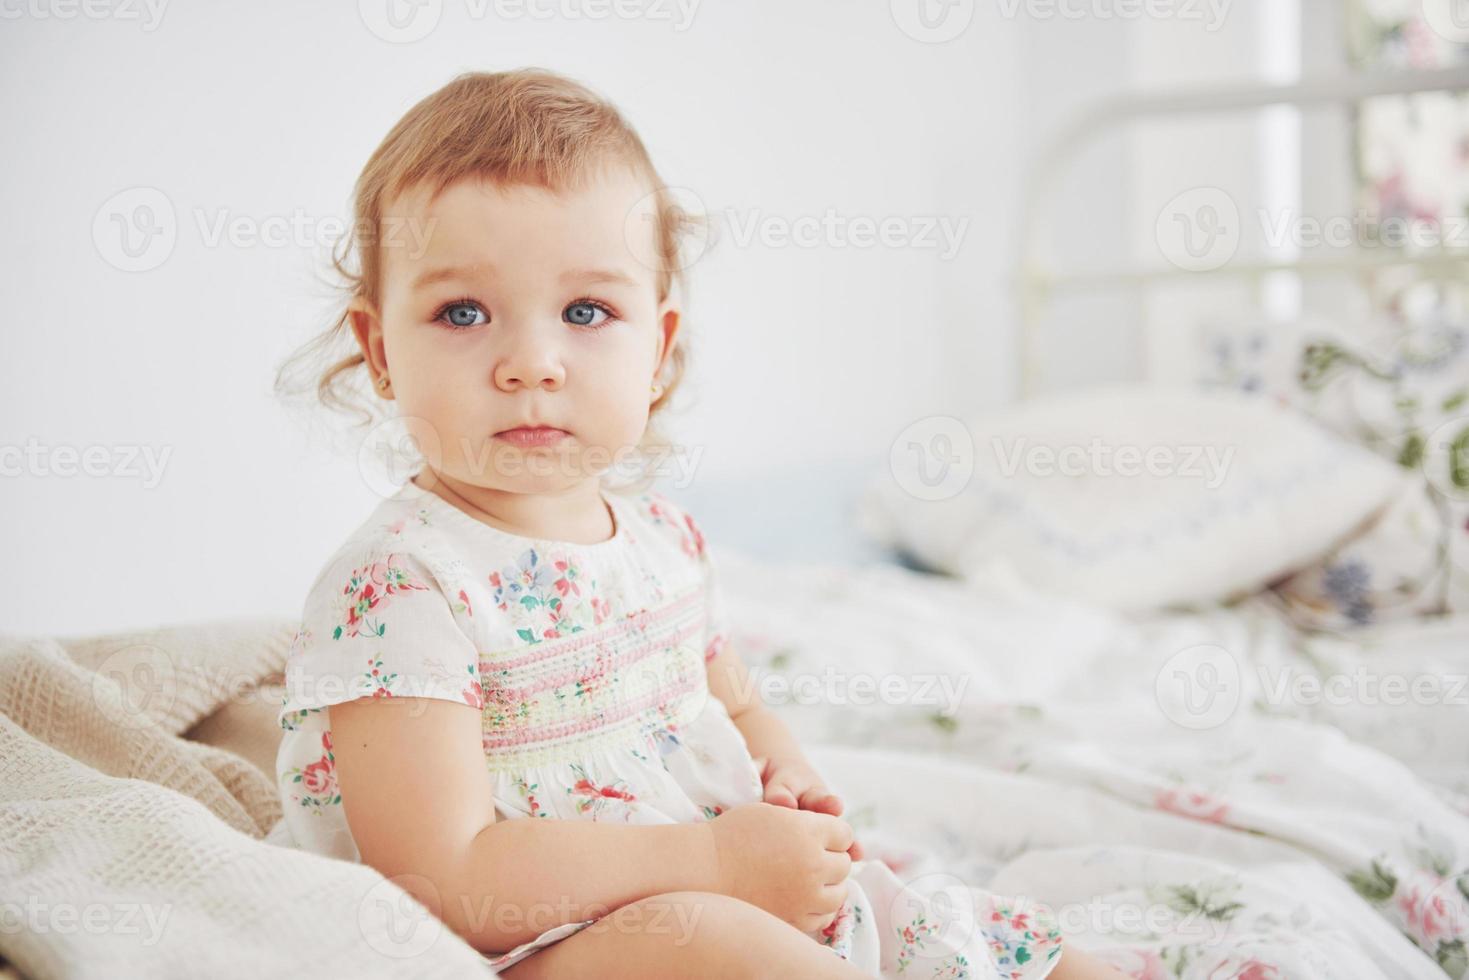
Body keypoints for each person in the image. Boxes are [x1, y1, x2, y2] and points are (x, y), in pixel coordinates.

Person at [271, 67, 1128, 980]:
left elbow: (730, 701)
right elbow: (443, 880)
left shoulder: (663, 544)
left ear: (658, 349)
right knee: (725, 944)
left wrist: (787, 783)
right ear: (380, 352)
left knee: (992, 939)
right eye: (463, 312)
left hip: (711, 886)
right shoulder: (401, 585)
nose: (531, 362)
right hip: (520, 947)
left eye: (586, 310)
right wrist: (713, 864)